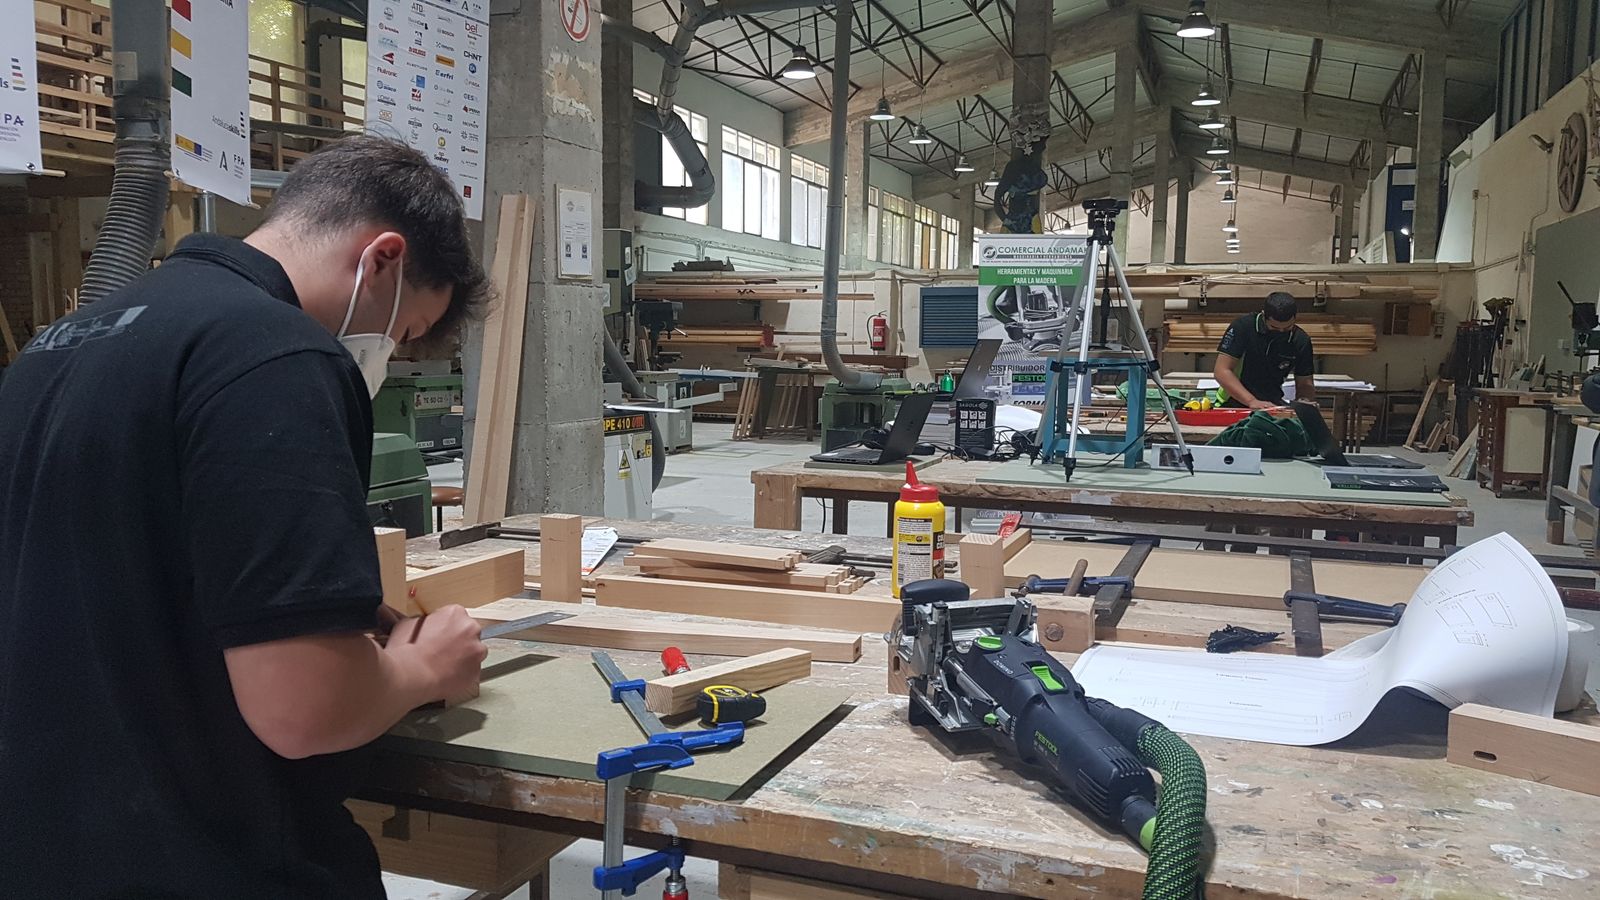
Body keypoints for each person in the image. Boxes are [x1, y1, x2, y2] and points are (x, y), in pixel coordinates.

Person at [0, 135, 491, 898]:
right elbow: (303, 709)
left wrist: (320, 616)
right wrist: (422, 669)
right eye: (403, 332)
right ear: (383, 259)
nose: (388, 353)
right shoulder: (280, 356)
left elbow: (123, 577)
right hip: (204, 859)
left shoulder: (54, 347)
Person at [1211, 292, 1316, 409]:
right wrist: (1251, 401)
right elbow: (1222, 371)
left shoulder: (1300, 340)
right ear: (1263, 315)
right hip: (1232, 403)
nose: (1281, 332)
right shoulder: (1243, 327)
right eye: (1274, 328)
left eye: (1287, 328)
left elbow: (1305, 383)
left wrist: (1304, 401)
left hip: (1272, 404)